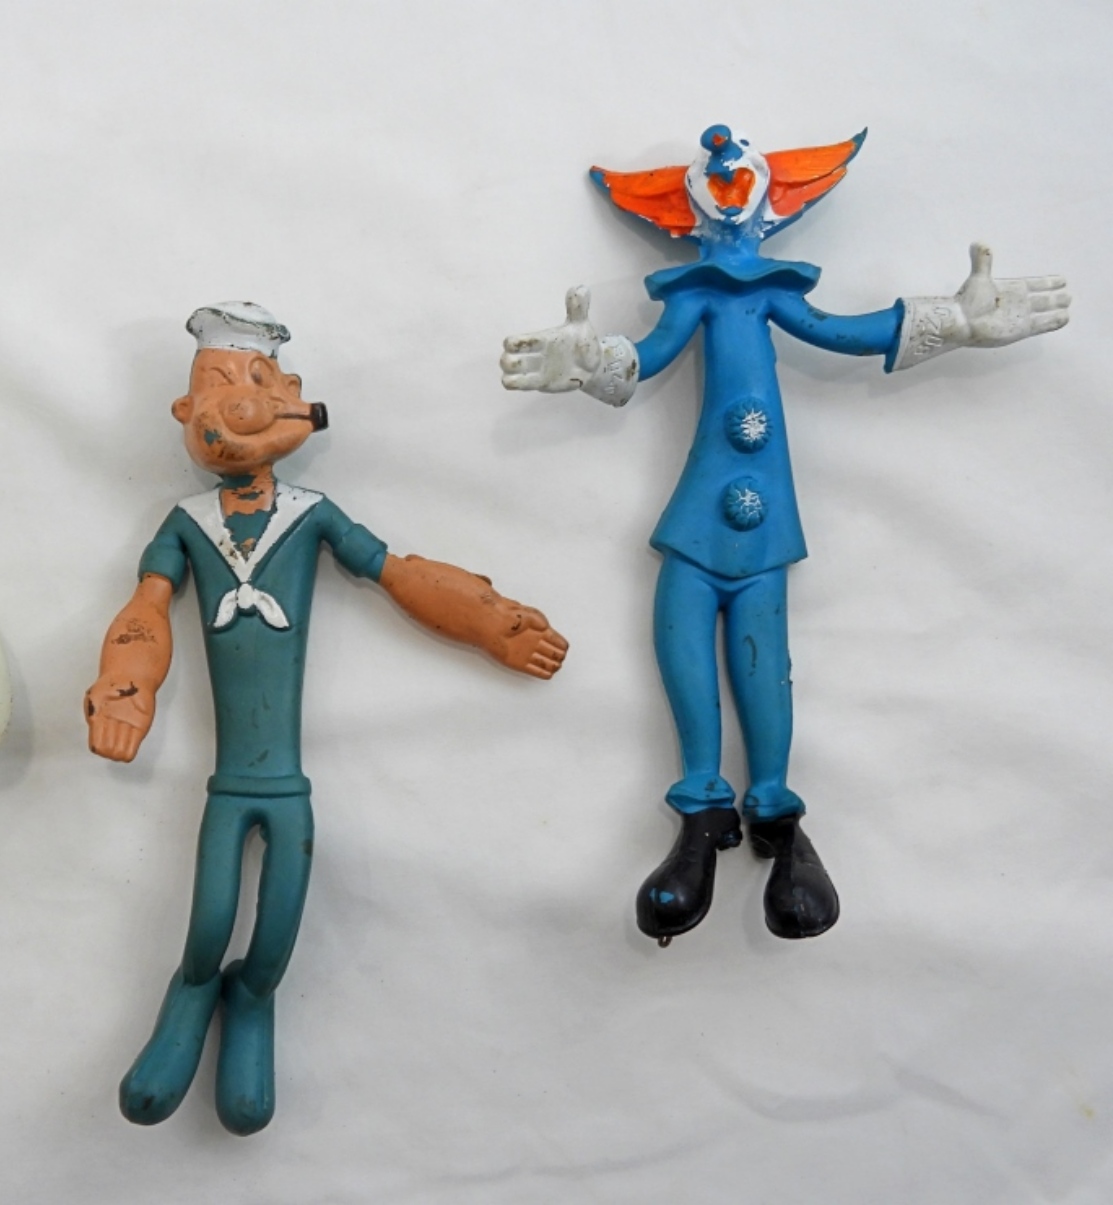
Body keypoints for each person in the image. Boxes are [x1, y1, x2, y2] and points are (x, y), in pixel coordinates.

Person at [501, 125, 1070, 944]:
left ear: (777, 200)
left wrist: (954, 320)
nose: (725, 168)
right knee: (682, 635)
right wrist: (593, 362)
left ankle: (775, 813)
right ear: (681, 209)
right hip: (702, 514)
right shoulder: (696, 296)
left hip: (762, 522)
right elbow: (649, 354)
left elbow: (842, 330)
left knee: (762, 660)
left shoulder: (771, 295)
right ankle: (702, 811)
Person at [87, 301, 567, 1134]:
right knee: (208, 923)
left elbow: (398, 573)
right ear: (185, 411)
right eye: (217, 386)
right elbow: (146, 607)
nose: (239, 402)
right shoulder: (186, 525)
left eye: (256, 381)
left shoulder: (311, 515)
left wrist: (489, 619)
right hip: (228, 785)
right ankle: (192, 990)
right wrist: (125, 682)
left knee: (275, 931)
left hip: (285, 785)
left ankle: (251, 999)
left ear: (293, 397)